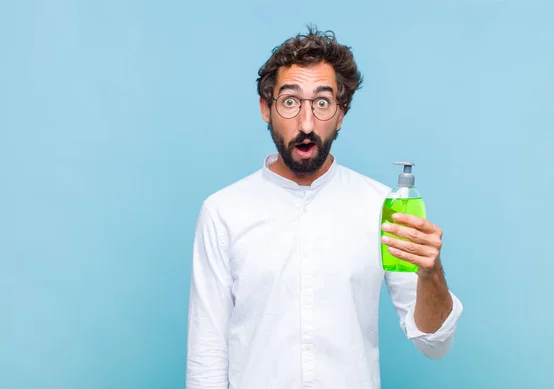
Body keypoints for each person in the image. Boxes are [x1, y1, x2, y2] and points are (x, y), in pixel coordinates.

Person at [186, 26, 463, 389]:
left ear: (341, 113)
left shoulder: (382, 206)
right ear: (265, 109)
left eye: (322, 103)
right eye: (289, 101)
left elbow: (435, 344)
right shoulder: (223, 211)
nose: (306, 123)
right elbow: (206, 358)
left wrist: (432, 274)